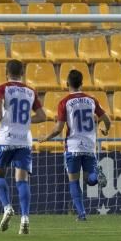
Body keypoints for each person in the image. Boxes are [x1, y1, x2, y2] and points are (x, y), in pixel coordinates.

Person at [39, 69, 112, 221]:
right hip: (89, 146)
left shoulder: (64, 102)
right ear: (82, 83)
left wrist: (46, 137)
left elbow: (59, 128)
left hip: (72, 147)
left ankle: (82, 214)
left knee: (73, 180)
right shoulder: (92, 100)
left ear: (67, 84)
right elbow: (107, 120)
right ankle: (96, 176)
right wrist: (106, 130)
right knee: (89, 180)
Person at [0, 59, 46, 235]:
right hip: (24, 139)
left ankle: (7, 207)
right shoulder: (30, 91)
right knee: (22, 180)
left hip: (6, 139)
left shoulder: (2, 88)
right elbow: (42, 115)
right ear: (22, 73)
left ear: (7, 73)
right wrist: (25, 121)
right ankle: (25, 218)